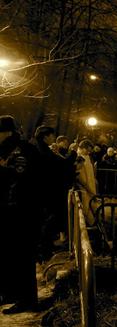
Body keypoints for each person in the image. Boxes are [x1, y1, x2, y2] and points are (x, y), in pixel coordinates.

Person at [0, 115, 41, 313]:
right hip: (14, 211)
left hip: (21, 212)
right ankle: (13, 294)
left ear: (6, 132)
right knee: (12, 256)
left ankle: (27, 300)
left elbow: (20, 177)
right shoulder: (12, 148)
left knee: (22, 256)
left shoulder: (20, 150)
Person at [76, 139, 98, 225]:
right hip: (84, 188)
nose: (89, 152)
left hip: (90, 186)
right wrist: (88, 188)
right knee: (85, 208)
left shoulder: (87, 157)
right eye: (88, 150)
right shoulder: (79, 157)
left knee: (91, 207)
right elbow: (80, 176)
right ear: (83, 148)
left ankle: (91, 224)